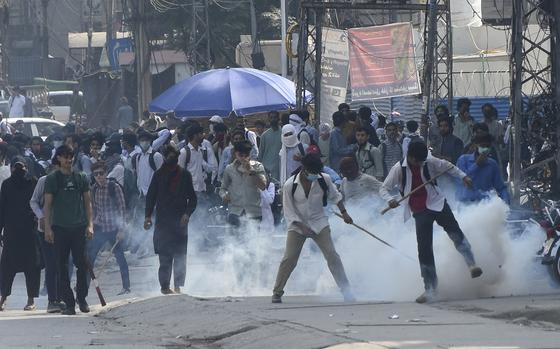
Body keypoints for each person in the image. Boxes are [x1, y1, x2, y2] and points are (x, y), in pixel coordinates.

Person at [380, 141, 483, 304]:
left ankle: (471, 263)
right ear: (410, 157)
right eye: (418, 161)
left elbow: (449, 167)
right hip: (419, 211)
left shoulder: (429, 160)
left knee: (455, 232)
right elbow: (383, 188)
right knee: (424, 249)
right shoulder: (399, 169)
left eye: (423, 161)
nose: (421, 163)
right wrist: (390, 200)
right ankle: (430, 289)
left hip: (438, 203)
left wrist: (464, 177)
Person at [272, 153, 355, 304]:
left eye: (317, 172)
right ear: (304, 169)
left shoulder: (324, 179)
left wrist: (345, 213)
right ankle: (277, 292)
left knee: (332, 256)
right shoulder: (290, 185)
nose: (315, 175)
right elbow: (288, 211)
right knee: (289, 259)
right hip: (298, 225)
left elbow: (336, 197)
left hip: (319, 222)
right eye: (312, 172)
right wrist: (302, 227)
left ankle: (347, 291)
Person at [43, 145, 93, 315]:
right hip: (59, 229)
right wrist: (48, 229)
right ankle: (69, 303)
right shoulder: (52, 179)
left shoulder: (81, 177)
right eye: (65, 157)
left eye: (70, 156)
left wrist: (90, 225)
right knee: (61, 267)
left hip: (78, 228)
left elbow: (87, 203)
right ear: (58, 158)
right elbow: (47, 206)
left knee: (82, 265)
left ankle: (82, 298)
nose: (68, 160)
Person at [144, 145, 197, 294]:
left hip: (180, 223)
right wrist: (147, 216)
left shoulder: (185, 175)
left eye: (172, 155)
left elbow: (192, 199)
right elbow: (151, 197)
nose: (170, 158)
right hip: (163, 223)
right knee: (165, 255)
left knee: (180, 255)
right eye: (167, 155)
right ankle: (165, 287)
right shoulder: (158, 175)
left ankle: (178, 286)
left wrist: (187, 214)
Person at [0, 158, 41, 311]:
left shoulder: (33, 183)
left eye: (21, 167)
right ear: (11, 169)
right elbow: (2, 208)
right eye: (16, 167)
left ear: (26, 169)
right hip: (11, 232)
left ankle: (31, 300)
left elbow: (39, 202)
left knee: (31, 267)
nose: (19, 170)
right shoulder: (6, 185)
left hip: (29, 231)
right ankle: (3, 298)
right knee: (6, 268)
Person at [88, 161, 130, 295]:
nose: (99, 176)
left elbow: (122, 209)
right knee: (91, 257)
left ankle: (126, 287)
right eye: (96, 174)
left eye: (101, 173)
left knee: (120, 257)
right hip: (100, 227)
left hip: (113, 228)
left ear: (106, 173)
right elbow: (94, 208)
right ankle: (85, 287)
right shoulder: (94, 189)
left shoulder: (114, 187)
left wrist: (122, 229)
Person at [30, 164, 65, 313]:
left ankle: (61, 297)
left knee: (61, 265)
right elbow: (33, 201)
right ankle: (52, 301)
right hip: (45, 230)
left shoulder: (67, 181)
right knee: (51, 265)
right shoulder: (43, 181)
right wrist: (41, 216)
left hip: (63, 228)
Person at [220, 140, 267, 227]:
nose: (244, 158)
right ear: (235, 154)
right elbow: (223, 188)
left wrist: (251, 171)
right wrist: (224, 195)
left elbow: (263, 186)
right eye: (241, 155)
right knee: (234, 240)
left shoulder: (258, 166)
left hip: (254, 212)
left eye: (246, 156)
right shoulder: (229, 169)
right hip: (235, 211)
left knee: (254, 240)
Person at [456, 133, 510, 204]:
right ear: (475, 145)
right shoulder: (463, 160)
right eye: (482, 146)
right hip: (466, 204)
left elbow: (501, 187)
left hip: (485, 205)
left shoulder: (492, 164)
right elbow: (462, 181)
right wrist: (477, 165)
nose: (485, 149)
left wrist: (505, 202)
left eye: (488, 146)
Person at [258, 111, 282, 181]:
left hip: (280, 168)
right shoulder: (264, 135)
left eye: (275, 117)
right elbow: (260, 154)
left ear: (278, 118)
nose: (273, 119)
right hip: (267, 169)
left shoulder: (284, 133)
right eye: (271, 118)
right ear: (268, 119)